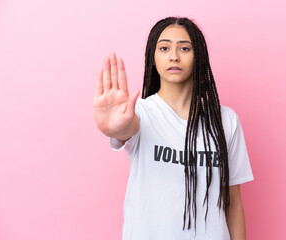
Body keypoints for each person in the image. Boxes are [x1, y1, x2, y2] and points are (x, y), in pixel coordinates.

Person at [93, 16, 254, 240]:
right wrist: (114, 129)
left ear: (199, 56)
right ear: (153, 57)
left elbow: (233, 203)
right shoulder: (139, 112)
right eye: (164, 48)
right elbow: (126, 129)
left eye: (185, 48)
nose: (174, 56)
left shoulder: (226, 121)